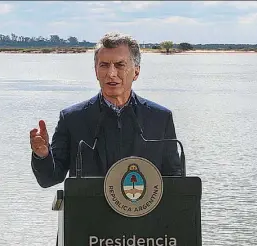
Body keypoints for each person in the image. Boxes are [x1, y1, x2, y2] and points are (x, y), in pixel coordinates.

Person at [29, 32, 182, 189]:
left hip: (145, 212)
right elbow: (49, 179)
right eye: (104, 65)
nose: (111, 73)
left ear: (136, 71)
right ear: (96, 71)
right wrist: (42, 155)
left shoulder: (160, 118)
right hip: (88, 212)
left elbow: (175, 180)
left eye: (119, 65)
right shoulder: (72, 119)